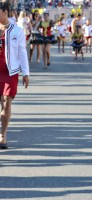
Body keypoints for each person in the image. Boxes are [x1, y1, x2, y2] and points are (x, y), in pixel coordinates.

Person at [0, 1, 30, 149]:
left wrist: (26, 73)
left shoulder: (17, 31)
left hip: (10, 72)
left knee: (6, 101)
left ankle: (3, 134)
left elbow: (22, 52)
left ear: (5, 12)